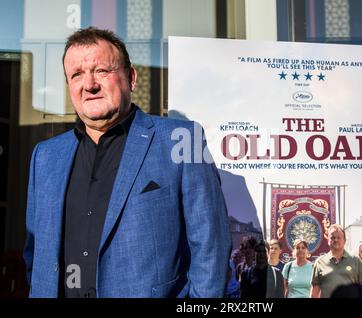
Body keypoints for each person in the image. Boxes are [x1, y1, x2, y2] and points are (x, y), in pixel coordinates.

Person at [22, 27, 231, 298]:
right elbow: (35, 252)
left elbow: (211, 247)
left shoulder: (183, 139)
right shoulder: (45, 156)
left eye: (101, 71)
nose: (89, 84)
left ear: (131, 77)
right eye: (77, 75)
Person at [311, 224, 362, 298]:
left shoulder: (355, 261)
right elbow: (315, 292)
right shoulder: (319, 262)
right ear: (328, 240)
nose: (336, 240)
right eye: (332, 237)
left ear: (345, 240)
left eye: (339, 237)